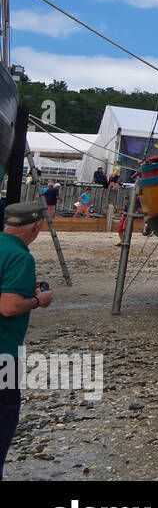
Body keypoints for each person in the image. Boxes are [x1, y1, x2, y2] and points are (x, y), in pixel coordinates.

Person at [0, 201, 55, 480]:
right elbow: (8, 306)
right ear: (36, 226)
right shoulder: (21, 257)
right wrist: (37, 299)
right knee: (4, 418)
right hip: (4, 353)